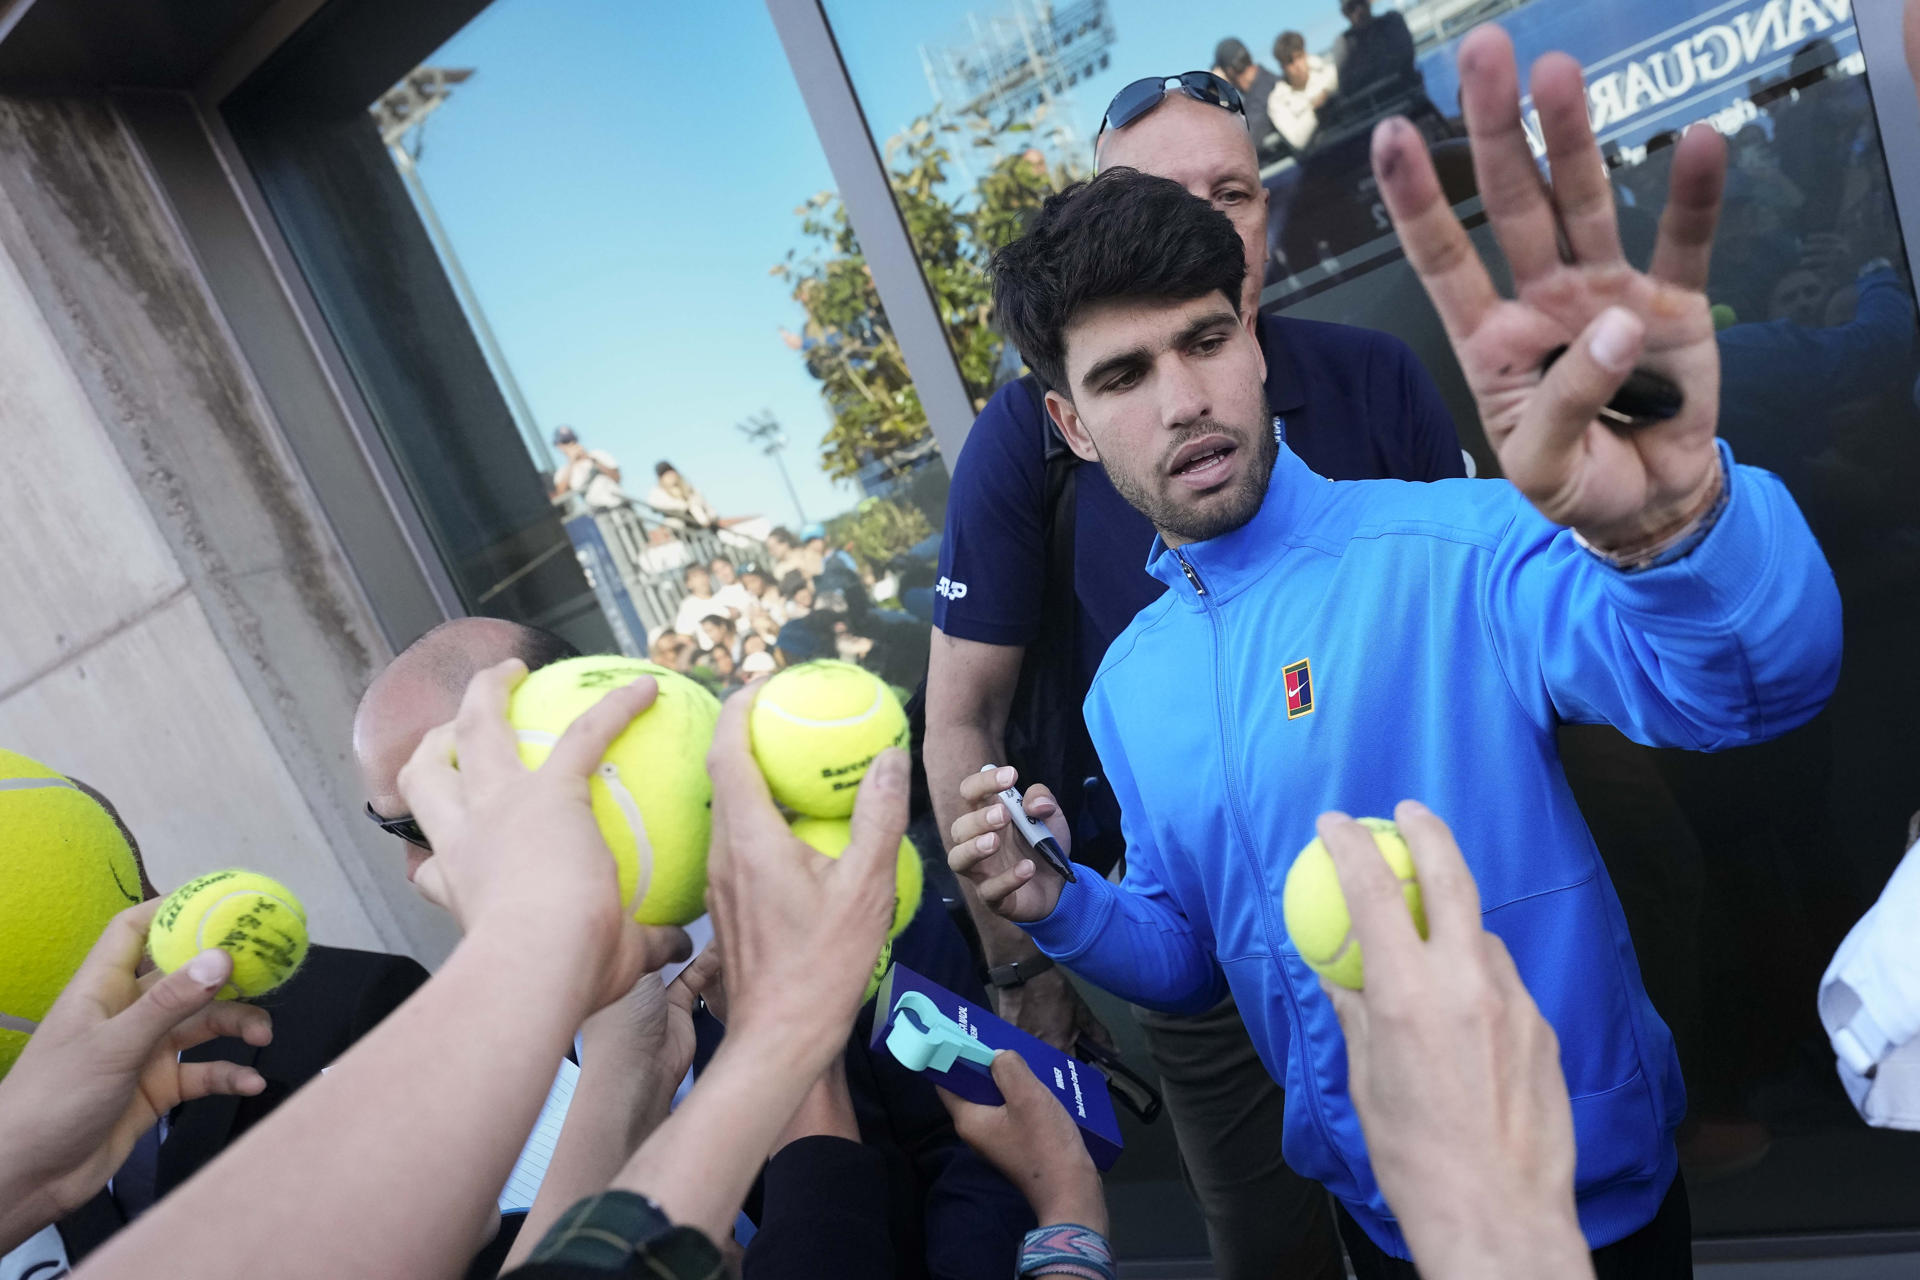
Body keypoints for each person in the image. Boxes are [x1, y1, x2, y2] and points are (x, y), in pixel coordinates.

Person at [952, 26, 1842, 1276]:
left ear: (1253, 335)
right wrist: (1065, 906)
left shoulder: (1457, 544)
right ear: (1072, 423)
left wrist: (1677, 527)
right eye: (1124, 374)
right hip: (1376, 1226)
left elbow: (1755, 683)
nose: (1183, 399)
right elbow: (1194, 952)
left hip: (1588, 1212)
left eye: (1205, 341)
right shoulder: (1129, 685)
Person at [926, 59, 1464, 1280]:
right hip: (1191, 921)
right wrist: (1026, 956)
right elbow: (963, 712)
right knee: (1272, 1241)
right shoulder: (1032, 452)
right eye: (1157, 197)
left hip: (1428, 883)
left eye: (1230, 192)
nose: (1196, 225)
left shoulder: (1369, 375)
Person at [354, 623, 1033, 1279]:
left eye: (423, 822)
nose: (417, 870)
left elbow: (977, 1146)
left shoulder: (829, 881)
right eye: (397, 827)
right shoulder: (496, 1033)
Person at [1326, 0, 1417, 112]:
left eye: (1361, 2)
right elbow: (1347, 87)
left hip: (1409, 99)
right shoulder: (1342, 43)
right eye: (1351, 7)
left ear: (1369, 2)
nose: (1359, 10)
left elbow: (1406, 58)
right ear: (1344, 13)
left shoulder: (1392, 21)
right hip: (1371, 113)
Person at [1211, 38, 1282, 163]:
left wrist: (1219, 91)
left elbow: (1245, 144)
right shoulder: (1267, 83)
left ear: (1229, 72)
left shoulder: (1261, 94)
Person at [1268, 31, 1338, 153]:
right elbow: (1297, 140)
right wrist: (1315, 109)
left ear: (1305, 54)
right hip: (1318, 155)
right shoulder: (1277, 102)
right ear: (1282, 67)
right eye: (1290, 62)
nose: (1297, 66)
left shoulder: (1328, 71)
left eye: (1299, 57)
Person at [549, 427, 628, 512]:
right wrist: (571, 462)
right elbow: (561, 494)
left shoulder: (598, 455)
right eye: (566, 442)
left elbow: (617, 478)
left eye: (573, 440)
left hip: (622, 505)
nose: (571, 444)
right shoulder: (562, 472)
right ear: (559, 446)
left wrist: (591, 459)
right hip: (599, 512)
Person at [646, 461, 720, 531]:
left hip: (701, 528)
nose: (670, 476)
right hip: (680, 529)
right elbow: (654, 506)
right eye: (666, 475)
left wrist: (711, 518)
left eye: (671, 473)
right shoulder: (658, 492)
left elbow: (706, 506)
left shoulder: (689, 489)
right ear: (661, 478)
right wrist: (684, 507)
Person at [674, 564, 731, 649]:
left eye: (703, 574)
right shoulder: (688, 606)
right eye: (695, 576)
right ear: (688, 584)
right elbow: (682, 637)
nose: (701, 579)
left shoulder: (723, 595)